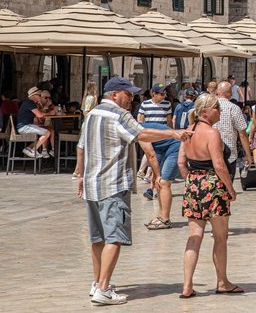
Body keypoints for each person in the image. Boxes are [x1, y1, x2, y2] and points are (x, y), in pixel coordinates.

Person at [75, 77, 191, 306]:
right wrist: (173, 133)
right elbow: (141, 134)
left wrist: (81, 175)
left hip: (92, 183)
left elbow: (83, 147)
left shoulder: (92, 115)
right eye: (128, 94)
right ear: (115, 94)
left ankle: (97, 282)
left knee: (97, 238)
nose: (132, 99)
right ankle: (104, 289)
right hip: (112, 184)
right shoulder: (119, 114)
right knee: (114, 237)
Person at [178, 93, 242, 298]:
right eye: (217, 107)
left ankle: (187, 285)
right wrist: (230, 189)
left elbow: (181, 163)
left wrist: (192, 181)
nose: (220, 110)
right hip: (214, 185)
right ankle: (222, 282)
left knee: (194, 237)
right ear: (205, 111)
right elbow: (219, 165)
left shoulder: (187, 131)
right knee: (220, 237)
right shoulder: (212, 133)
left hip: (193, 184)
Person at [137, 84, 180, 228]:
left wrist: (157, 175)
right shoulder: (141, 122)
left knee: (164, 182)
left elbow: (150, 155)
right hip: (162, 146)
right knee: (159, 183)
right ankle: (161, 216)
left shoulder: (140, 133)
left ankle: (165, 219)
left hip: (174, 147)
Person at [215, 82, 251, 178]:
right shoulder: (234, 108)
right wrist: (248, 154)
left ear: (217, 92)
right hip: (229, 155)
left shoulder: (208, 106)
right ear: (231, 92)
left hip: (210, 154)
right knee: (227, 187)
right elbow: (242, 134)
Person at [15, 87, 55, 158]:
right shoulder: (29, 102)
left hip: (25, 126)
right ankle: (33, 150)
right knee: (47, 132)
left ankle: (29, 149)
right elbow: (39, 115)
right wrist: (50, 113)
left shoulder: (31, 103)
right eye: (39, 95)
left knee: (47, 131)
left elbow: (39, 116)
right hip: (24, 127)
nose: (40, 96)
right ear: (33, 96)